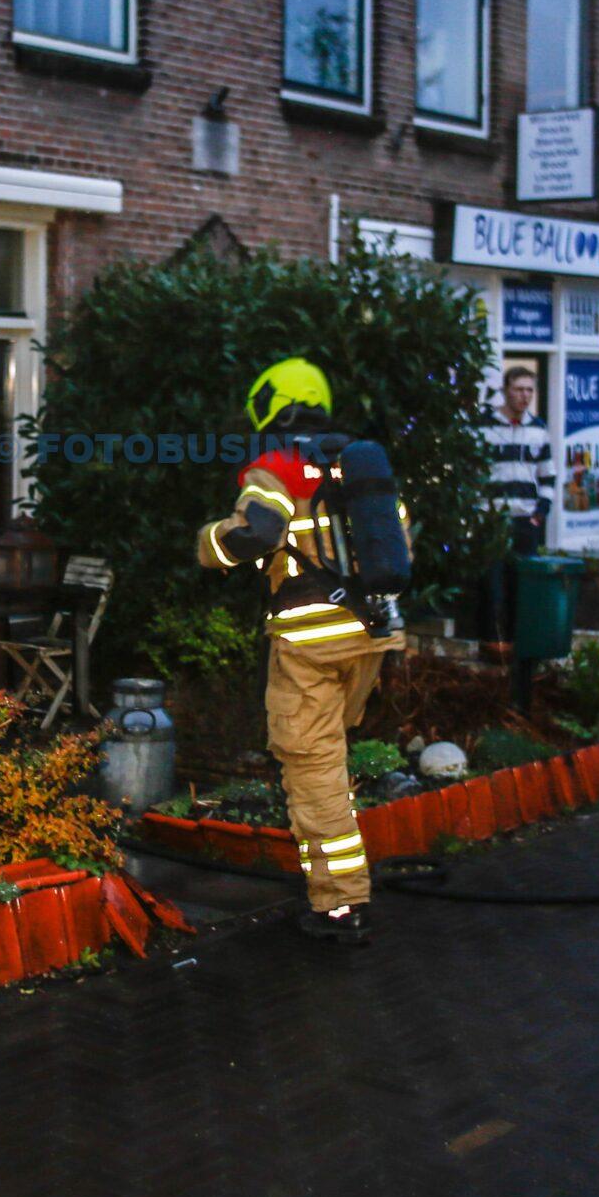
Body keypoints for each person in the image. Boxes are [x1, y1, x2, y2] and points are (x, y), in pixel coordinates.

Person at [195, 358, 407, 945]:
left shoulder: (277, 468)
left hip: (311, 643)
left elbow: (256, 534)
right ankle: (338, 884)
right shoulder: (361, 464)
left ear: (270, 405)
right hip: (371, 635)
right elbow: (397, 537)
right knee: (328, 763)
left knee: (313, 771)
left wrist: (209, 543)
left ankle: (341, 907)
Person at [474, 366, 553, 650]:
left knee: (523, 584)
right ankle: (494, 645)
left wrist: (540, 514)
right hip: (492, 518)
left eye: (530, 390)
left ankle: (521, 647)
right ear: (507, 390)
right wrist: (478, 512)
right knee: (492, 583)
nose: (525, 396)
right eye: (519, 389)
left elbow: (548, 475)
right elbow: (471, 470)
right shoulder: (485, 425)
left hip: (525, 520)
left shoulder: (538, 429)